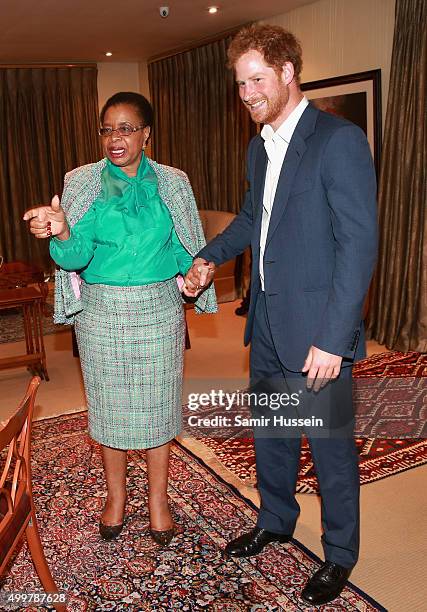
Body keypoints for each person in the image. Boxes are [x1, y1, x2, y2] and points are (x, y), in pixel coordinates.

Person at [185, 25, 378, 605]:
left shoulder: (336, 141)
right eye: (240, 83)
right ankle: (276, 518)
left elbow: (358, 246)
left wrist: (333, 337)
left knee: (329, 446)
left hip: (318, 328)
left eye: (257, 80)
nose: (247, 93)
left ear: (289, 71)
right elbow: (252, 219)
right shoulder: (259, 145)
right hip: (266, 317)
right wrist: (207, 256)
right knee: (272, 431)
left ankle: (340, 553)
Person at [24, 91, 216, 546]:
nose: (116, 138)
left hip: (158, 311)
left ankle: (159, 501)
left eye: (126, 128)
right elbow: (74, 257)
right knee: (109, 412)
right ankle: (116, 498)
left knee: (158, 410)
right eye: (108, 128)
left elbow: (183, 247)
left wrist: (193, 275)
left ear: (146, 134)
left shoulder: (173, 182)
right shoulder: (82, 182)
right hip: (102, 313)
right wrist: (63, 229)